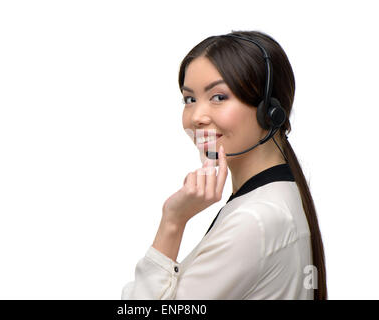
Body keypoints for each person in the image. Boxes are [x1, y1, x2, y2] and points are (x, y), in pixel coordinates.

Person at [121, 30, 327, 300]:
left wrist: (173, 221)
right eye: (189, 99)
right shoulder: (272, 198)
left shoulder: (254, 220)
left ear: (270, 111)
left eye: (218, 97)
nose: (196, 117)